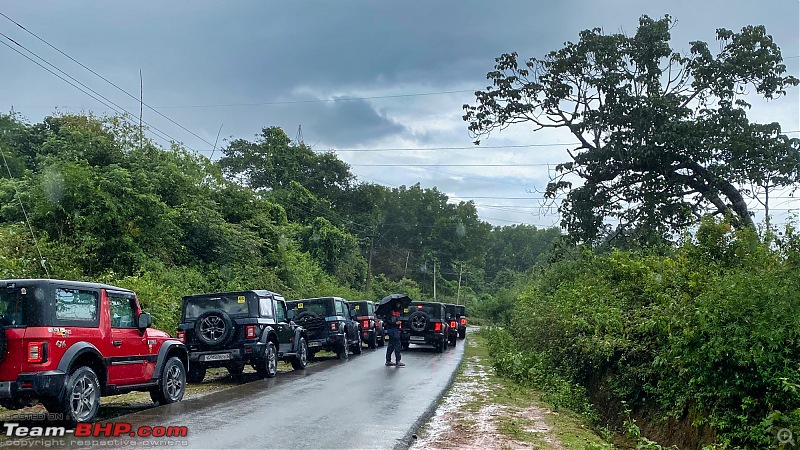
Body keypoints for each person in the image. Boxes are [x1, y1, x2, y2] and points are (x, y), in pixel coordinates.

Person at [384, 300, 405, 367]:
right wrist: (395, 323)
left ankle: (388, 360)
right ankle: (398, 361)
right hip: (392, 330)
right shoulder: (390, 312)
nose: (399, 305)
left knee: (391, 345)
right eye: (398, 304)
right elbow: (387, 321)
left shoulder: (398, 311)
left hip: (395, 329)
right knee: (397, 345)